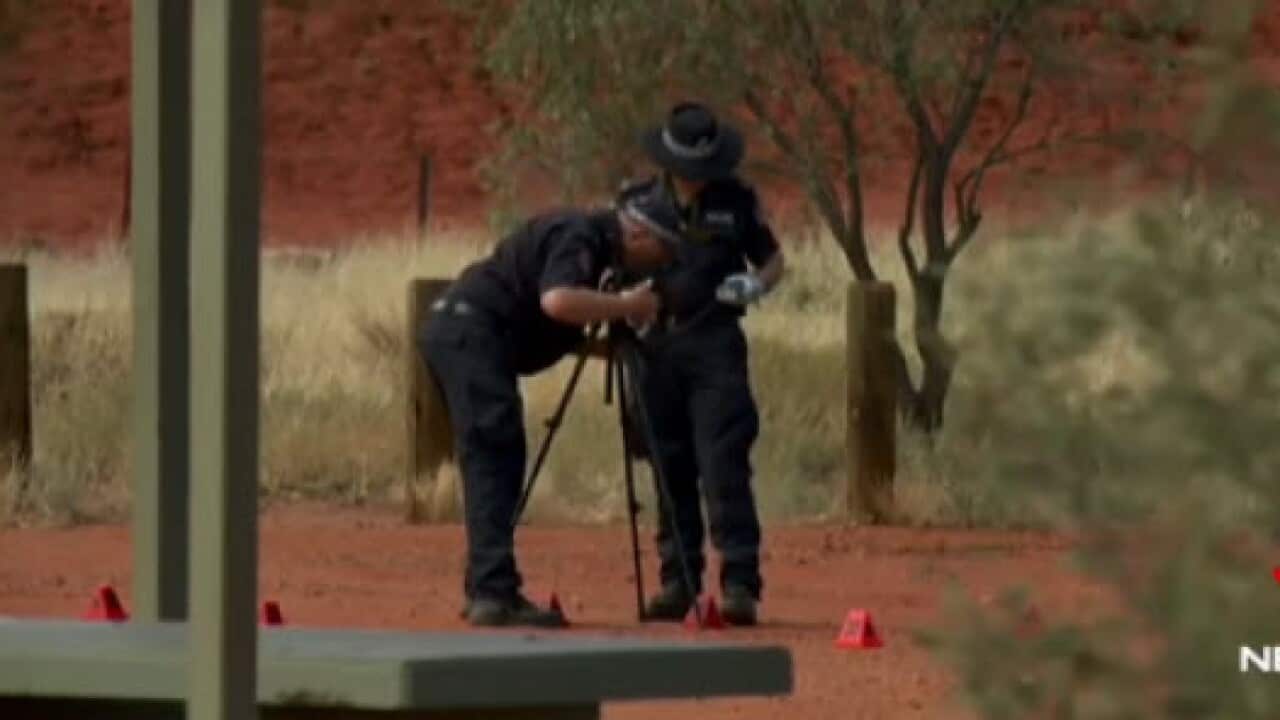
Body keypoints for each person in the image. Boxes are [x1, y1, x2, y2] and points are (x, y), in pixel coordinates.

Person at [418, 186, 682, 628]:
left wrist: (621, 340)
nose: (662, 262)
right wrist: (628, 305)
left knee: (496, 455)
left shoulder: (597, 250)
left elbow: (551, 319)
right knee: (494, 453)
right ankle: (492, 593)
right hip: (470, 334)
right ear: (638, 234)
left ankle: (487, 585)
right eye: (663, 249)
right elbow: (557, 301)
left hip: (465, 334)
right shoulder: (579, 235)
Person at [628, 101, 786, 627]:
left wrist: (757, 284)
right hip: (654, 347)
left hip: (715, 344)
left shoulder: (737, 202)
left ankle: (739, 583)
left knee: (723, 464)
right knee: (668, 467)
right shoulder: (637, 205)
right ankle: (678, 580)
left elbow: (772, 258)